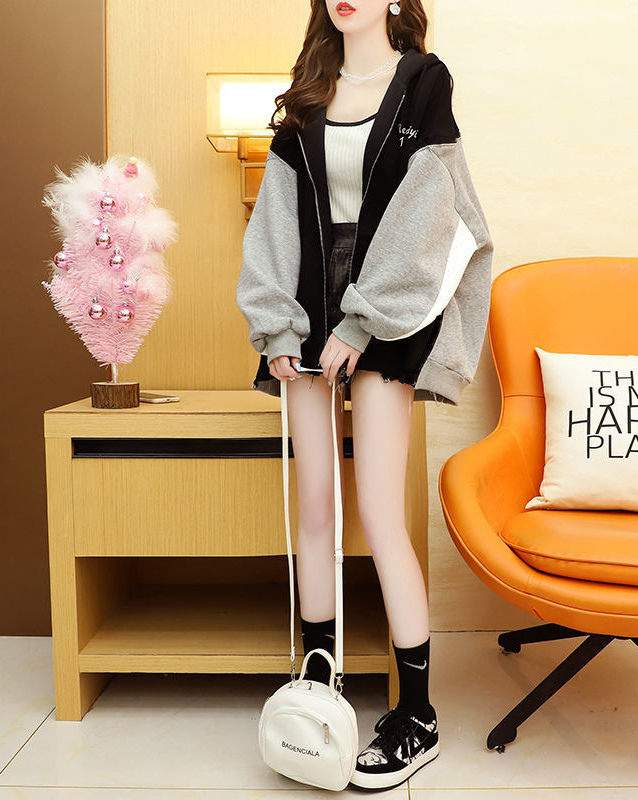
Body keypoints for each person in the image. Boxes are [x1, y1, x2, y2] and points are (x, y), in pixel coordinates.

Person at [235, 0, 493, 791]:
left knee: (377, 509)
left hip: (388, 309)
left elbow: (428, 210)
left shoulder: (422, 80)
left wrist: (362, 322)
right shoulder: (309, 92)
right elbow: (276, 217)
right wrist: (277, 326)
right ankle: (319, 684)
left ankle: (417, 714)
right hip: (309, 304)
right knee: (314, 502)